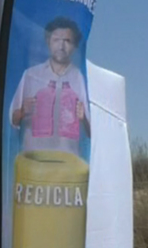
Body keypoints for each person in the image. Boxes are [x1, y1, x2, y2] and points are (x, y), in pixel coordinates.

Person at [10, 16, 91, 156]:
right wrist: (22, 112)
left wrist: (83, 118)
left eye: (67, 41)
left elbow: (92, 132)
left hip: (68, 164)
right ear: (48, 42)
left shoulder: (79, 78)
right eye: (56, 40)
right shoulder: (31, 75)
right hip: (33, 162)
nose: (61, 46)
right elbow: (12, 119)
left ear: (74, 46)